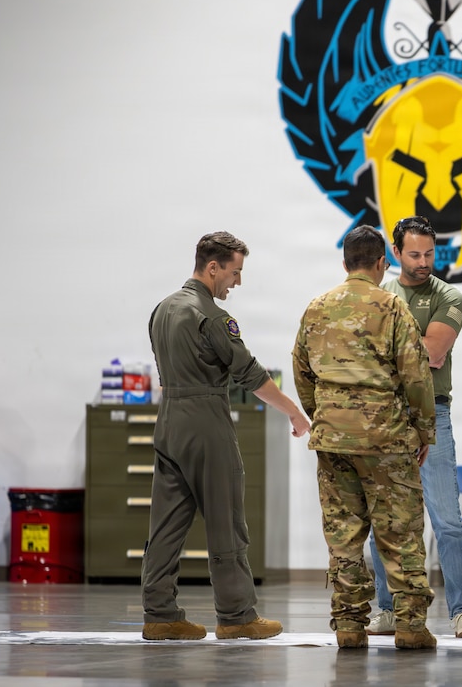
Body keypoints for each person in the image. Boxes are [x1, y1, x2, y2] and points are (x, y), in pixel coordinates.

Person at [142, 231, 311, 641]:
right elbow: (251, 375)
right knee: (226, 520)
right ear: (212, 266)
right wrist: (295, 412)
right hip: (206, 423)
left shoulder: (162, 309)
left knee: (165, 525)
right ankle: (236, 616)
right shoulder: (212, 316)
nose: (236, 282)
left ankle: (160, 614)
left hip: (168, 422)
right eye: (234, 273)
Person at [292, 225, 438, 650]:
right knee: (400, 532)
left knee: (344, 535)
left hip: (333, 440)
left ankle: (349, 626)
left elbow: (302, 371)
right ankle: (410, 626)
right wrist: (423, 430)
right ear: (382, 263)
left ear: (344, 264)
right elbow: (416, 375)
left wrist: (325, 415)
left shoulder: (316, 308)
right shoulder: (393, 308)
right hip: (386, 440)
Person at [364, 216, 462, 639]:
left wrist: (383, 349)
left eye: (430, 253)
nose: (423, 261)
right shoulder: (379, 294)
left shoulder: (448, 297)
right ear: (395, 253)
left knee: (447, 520)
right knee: (385, 521)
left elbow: (432, 355)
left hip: (434, 414)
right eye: (414, 254)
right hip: (386, 414)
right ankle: (386, 609)